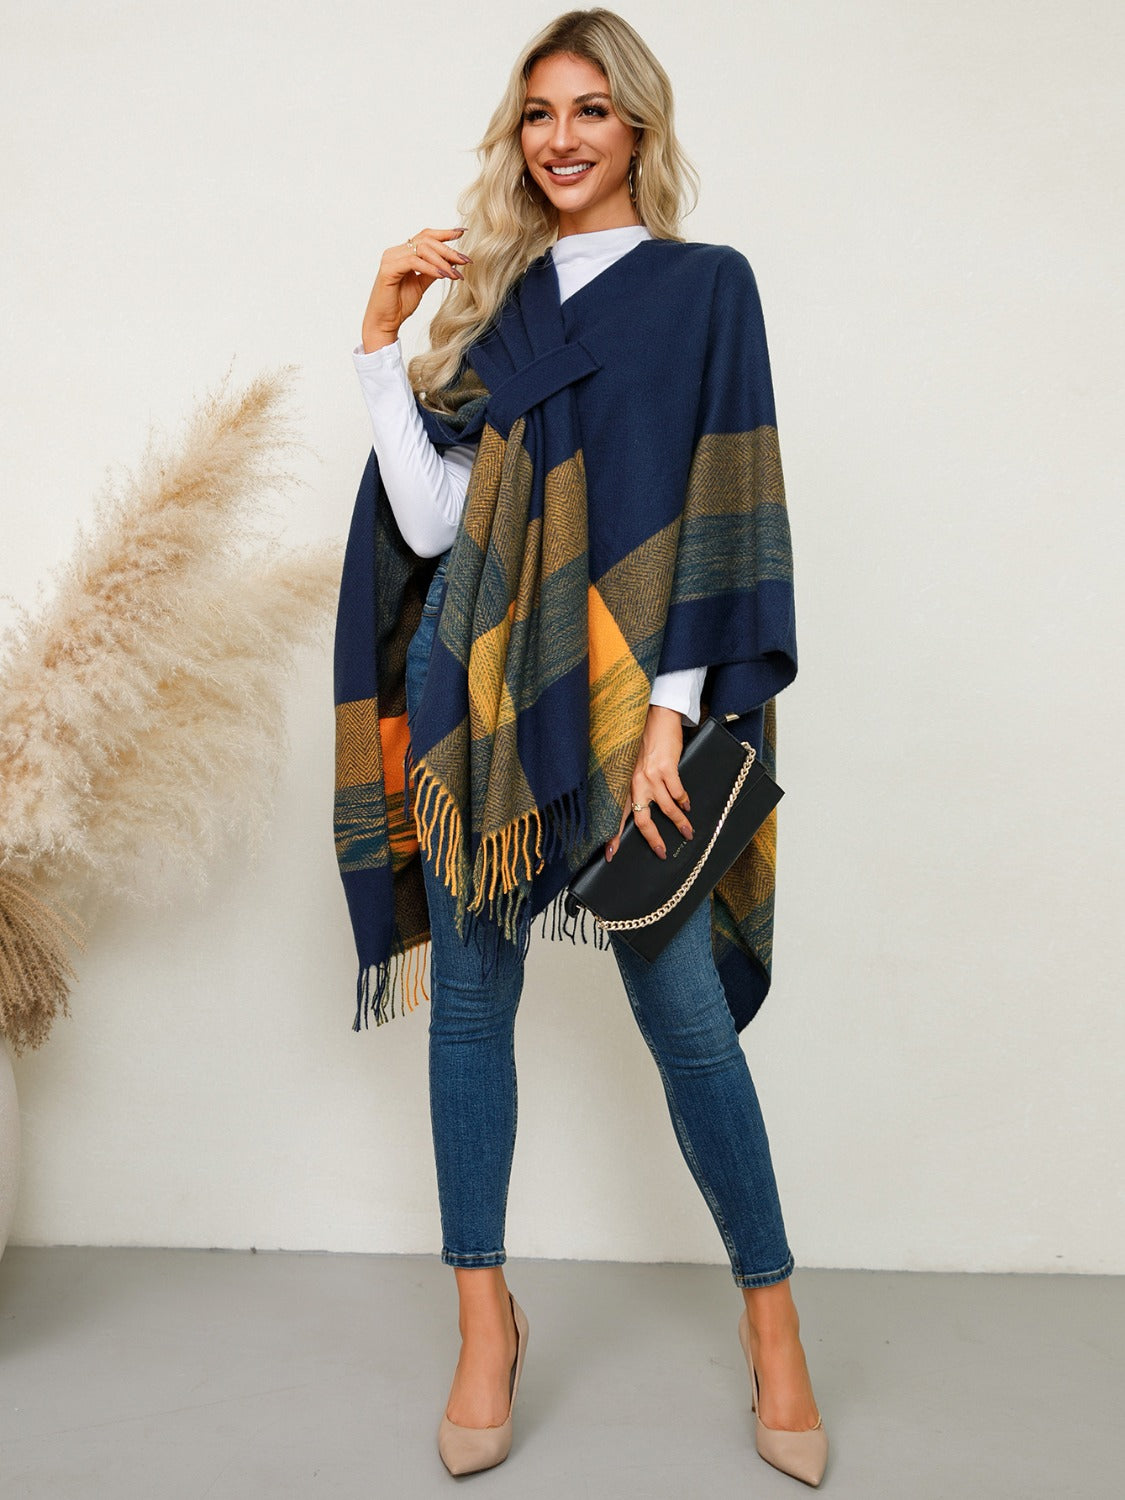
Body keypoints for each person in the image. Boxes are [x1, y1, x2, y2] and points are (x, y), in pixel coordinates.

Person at [335, 8, 827, 1486]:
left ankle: (774, 1324)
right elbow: (433, 524)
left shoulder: (703, 289)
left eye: (591, 110)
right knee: (469, 1010)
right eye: (540, 112)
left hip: (625, 708)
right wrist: (378, 344)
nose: (561, 137)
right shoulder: (502, 305)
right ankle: (484, 1321)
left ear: (638, 130)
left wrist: (667, 715)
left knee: (682, 1015)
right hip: (478, 693)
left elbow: (713, 508)